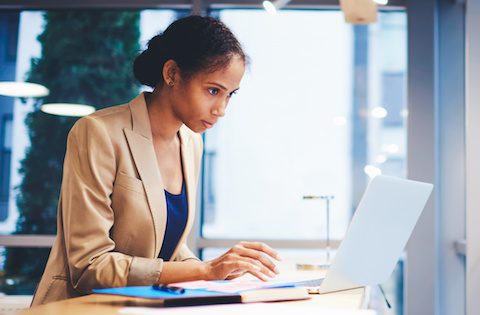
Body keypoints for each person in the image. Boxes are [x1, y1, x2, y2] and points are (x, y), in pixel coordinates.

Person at [31, 15, 281, 306]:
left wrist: (222, 271)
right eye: (213, 91)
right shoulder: (98, 132)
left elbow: (167, 252)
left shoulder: (191, 143)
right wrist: (205, 270)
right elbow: (89, 266)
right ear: (172, 73)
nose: (221, 109)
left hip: (143, 308)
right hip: (81, 309)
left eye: (230, 95)